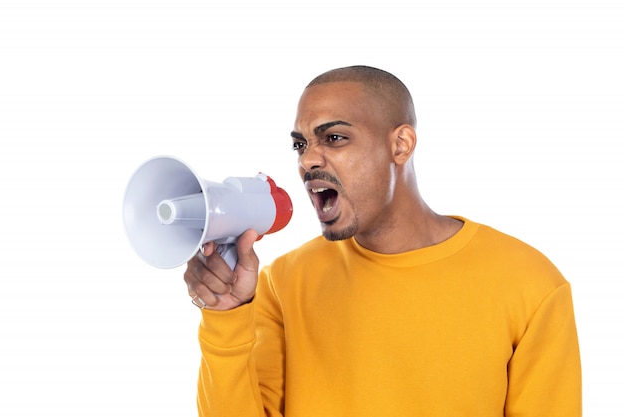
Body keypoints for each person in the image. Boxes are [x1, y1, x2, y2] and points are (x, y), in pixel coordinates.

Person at [183, 65, 582, 416]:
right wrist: (225, 317)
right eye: (300, 144)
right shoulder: (283, 281)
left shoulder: (529, 282)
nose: (307, 160)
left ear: (400, 145)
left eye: (334, 138)